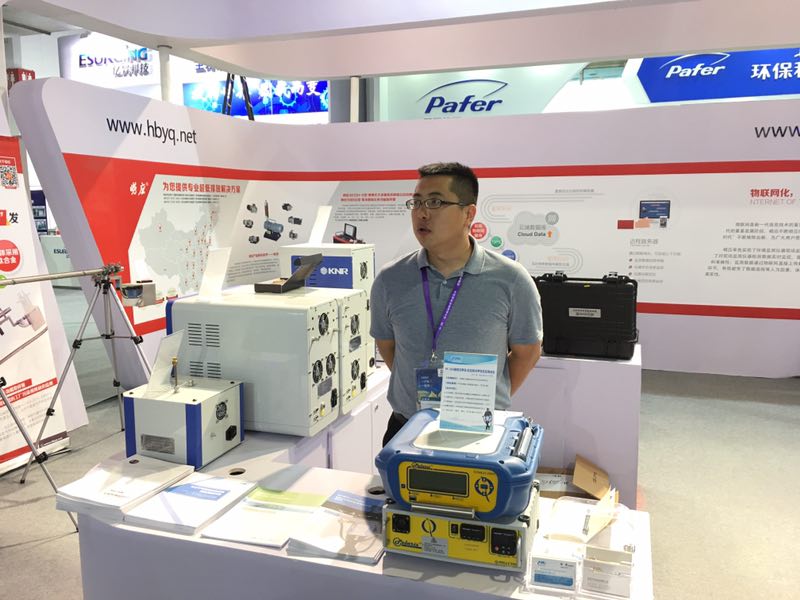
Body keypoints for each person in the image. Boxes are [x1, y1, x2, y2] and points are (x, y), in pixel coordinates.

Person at [370, 162, 543, 446]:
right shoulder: (391, 279)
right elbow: (389, 346)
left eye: (435, 202)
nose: (422, 213)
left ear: (468, 213)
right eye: (416, 202)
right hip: (405, 428)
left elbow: (527, 352)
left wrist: (485, 398)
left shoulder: (510, 279)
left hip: (478, 432)